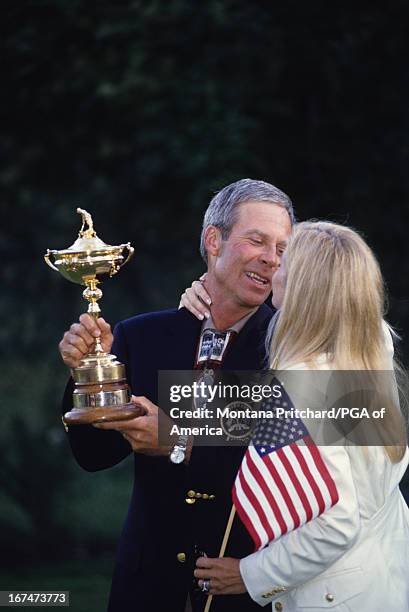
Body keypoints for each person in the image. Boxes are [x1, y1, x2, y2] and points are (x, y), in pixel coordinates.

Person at [58, 178, 294, 612]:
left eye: (282, 248)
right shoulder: (140, 334)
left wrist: (179, 439)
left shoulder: (293, 349)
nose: (271, 258)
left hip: (246, 590)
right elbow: (94, 455)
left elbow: (291, 467)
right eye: (257, 241)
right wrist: (84, 375)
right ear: (213, 241)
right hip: (146, 586)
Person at [182, 221, 409, 611]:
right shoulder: (371, 343)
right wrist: (209, 302)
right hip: (381, 581)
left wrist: (249, 574)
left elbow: (335, 525)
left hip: (329, 597)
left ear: (306, 283)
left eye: (286, 259)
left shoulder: (304, 379)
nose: (274, 267)